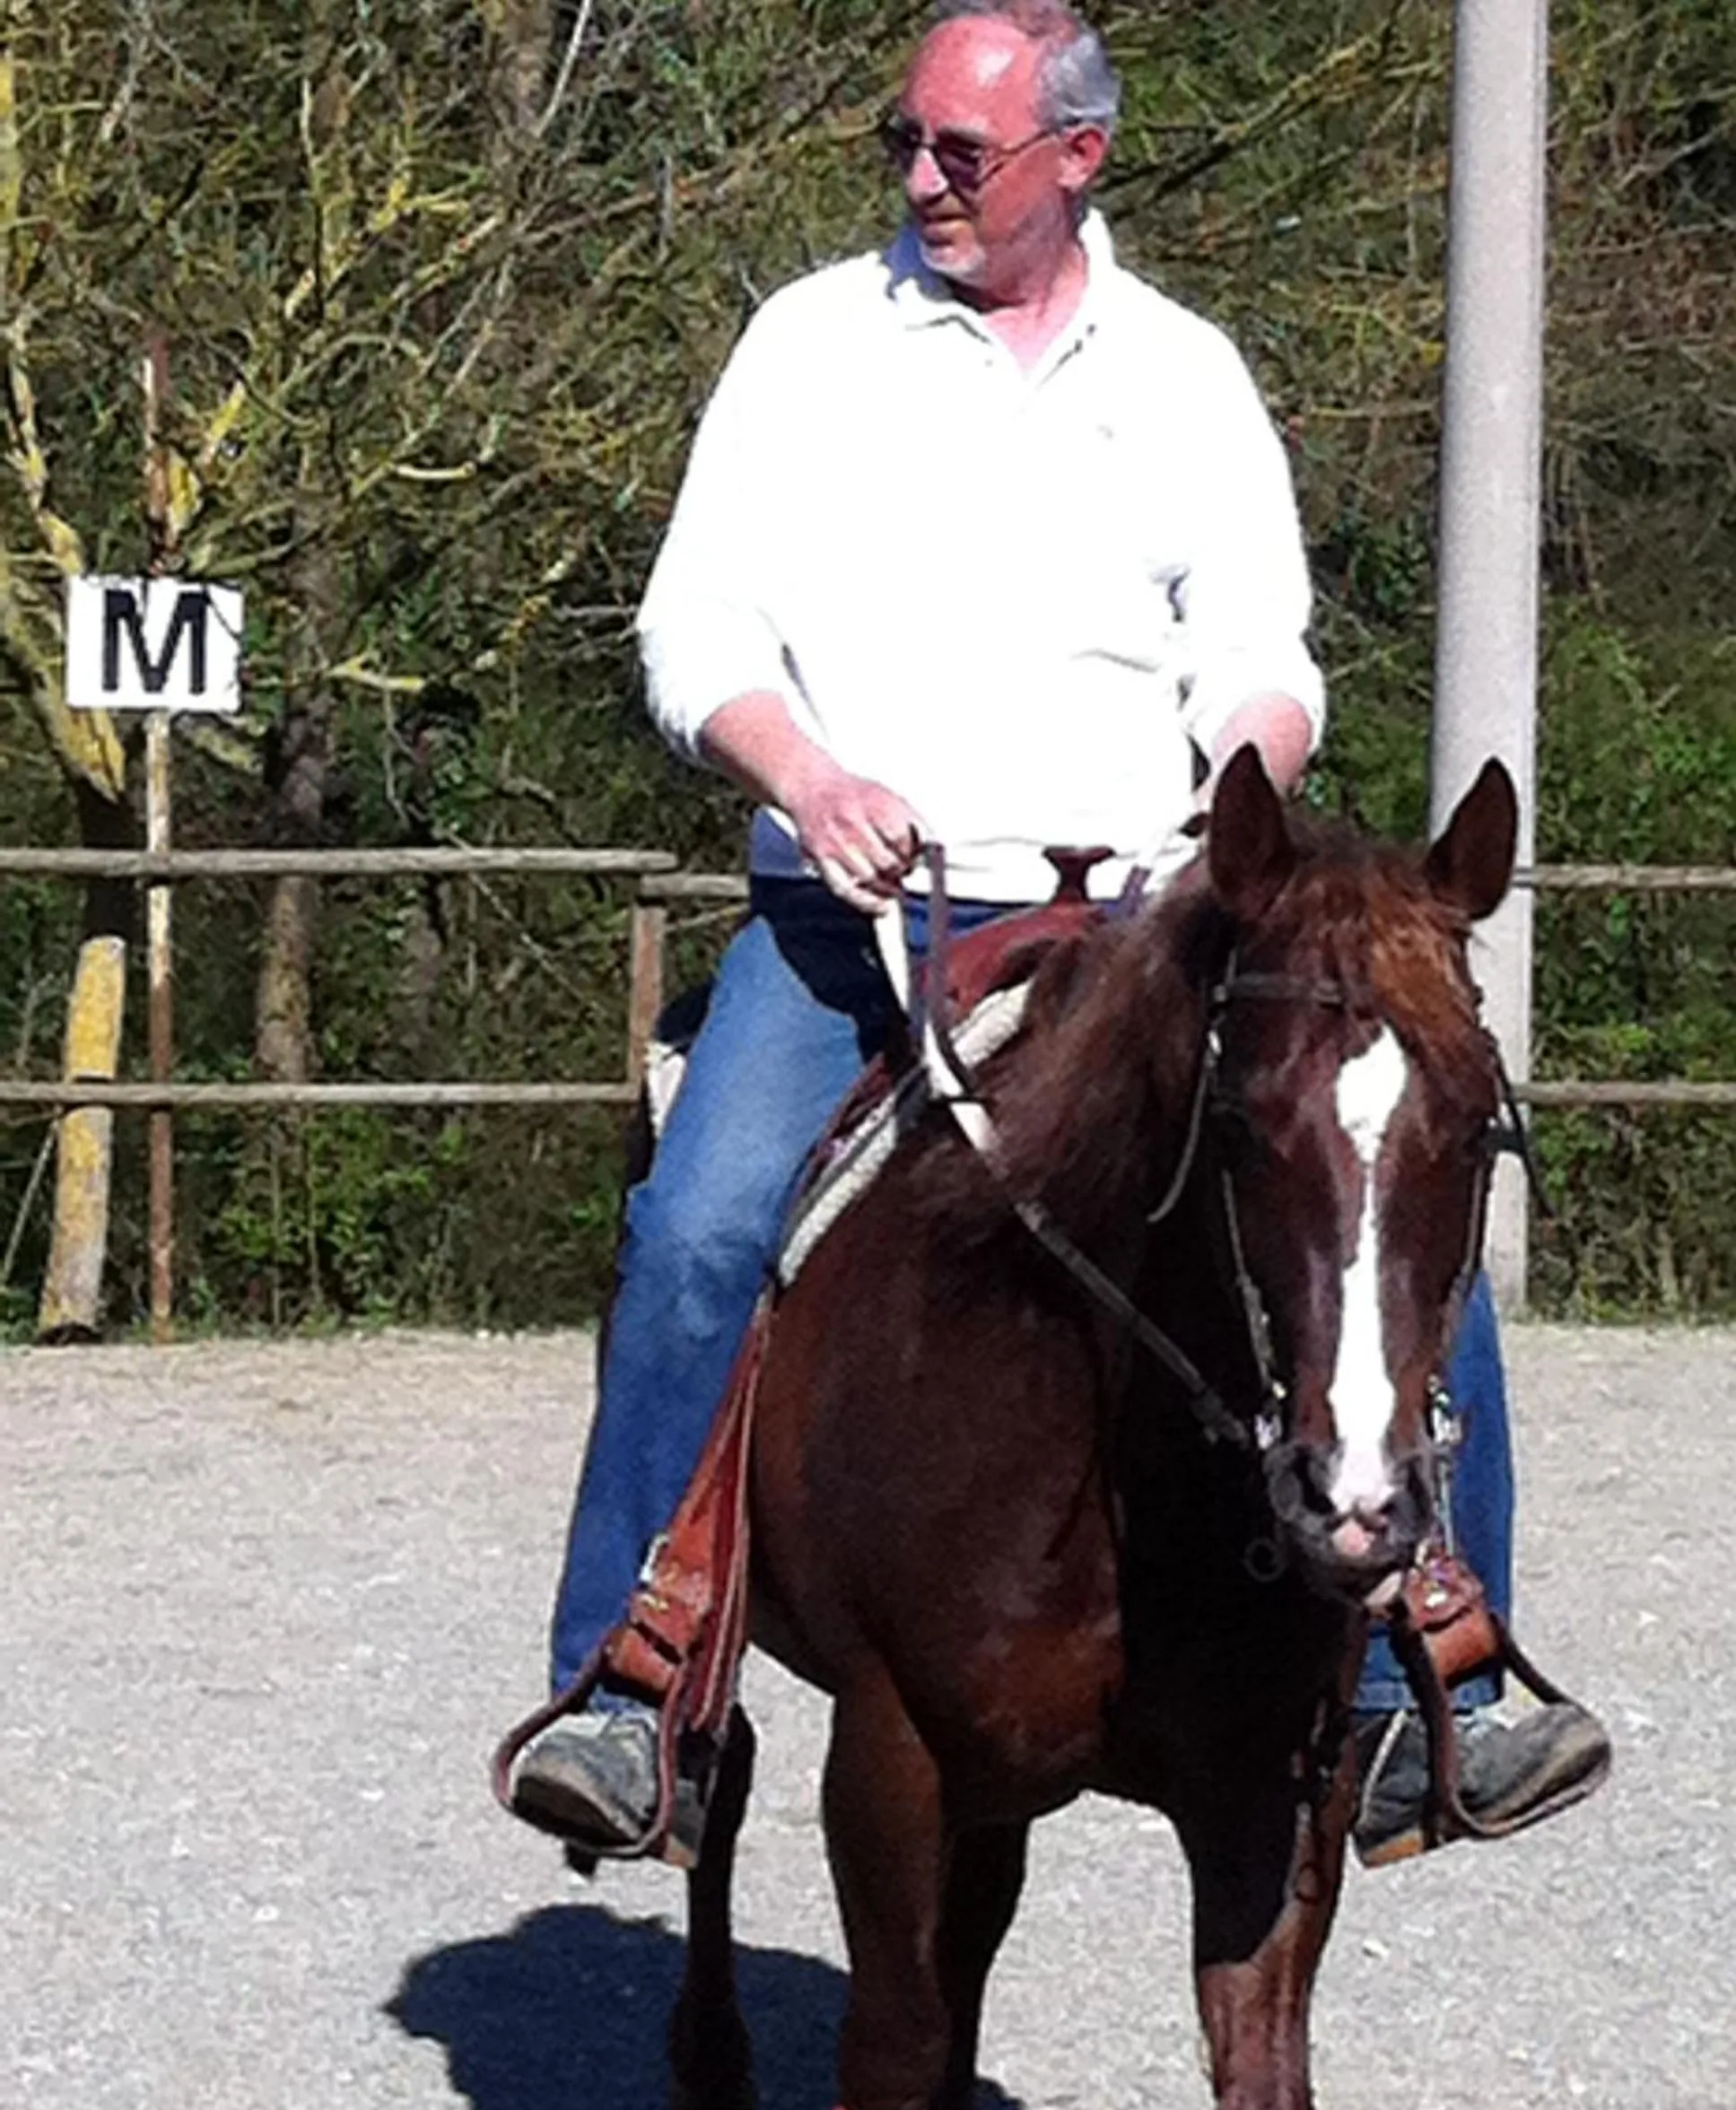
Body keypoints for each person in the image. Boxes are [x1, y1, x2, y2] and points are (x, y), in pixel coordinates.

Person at [507, 0, 1610, 1867]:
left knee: (1374, 1194)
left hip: (1129, 910)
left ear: (1076, 158)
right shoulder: (807, 349)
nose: (921, 178)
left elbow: (1263, 648)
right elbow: (697, 632)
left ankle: (1444, 1677)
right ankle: (640, 1681)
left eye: (961, 150)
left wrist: (1234, 796)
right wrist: (806, 772)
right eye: (907, 143)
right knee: (698, 1228)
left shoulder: (1179, 375)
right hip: (855, 915)